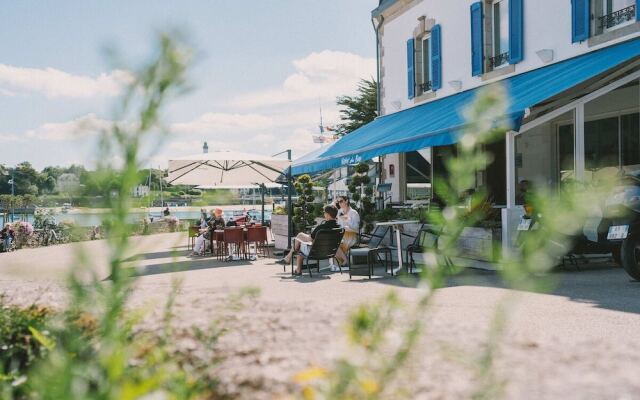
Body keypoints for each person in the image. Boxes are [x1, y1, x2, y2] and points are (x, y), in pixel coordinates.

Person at [276, 204, 340, 275]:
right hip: (329, 252)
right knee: (300, 243)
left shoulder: (322, 227)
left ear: (328, 214)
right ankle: (297, 269)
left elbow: (310, 239)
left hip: (315, 252)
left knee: (299, 238)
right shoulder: (339, 227)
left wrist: (305, 236)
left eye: (324, 213)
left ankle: (288, 258)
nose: (324, 214)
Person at [333, 196, 360, 271]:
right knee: (331, 244)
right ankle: (345, 260)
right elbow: (338, 224)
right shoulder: (339, 212)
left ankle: (344, 261)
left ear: (346, 201)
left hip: (351, 236)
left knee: (335, 244)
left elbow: (356, 228)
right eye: (338, 202)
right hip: (341, 235)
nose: (339, 203)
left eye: (341, 201)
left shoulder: (354, 213)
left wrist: (347, 221)